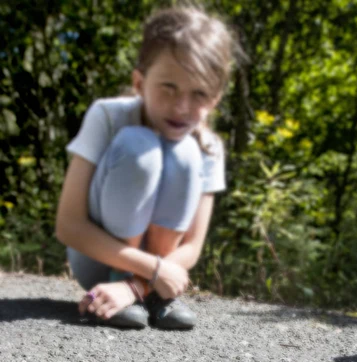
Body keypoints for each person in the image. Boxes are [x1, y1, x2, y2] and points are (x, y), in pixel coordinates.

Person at [56, 5, 237, 329]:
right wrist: (153, 270)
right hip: (96, 260)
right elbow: (68, 225)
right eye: (168, 87)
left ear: (215, 98)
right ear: (139, 83)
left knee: (186, 154)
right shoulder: (107, 116)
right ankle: (132, 284)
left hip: (160, 271)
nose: (181, 107)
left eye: (199, 93)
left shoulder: (209, 147)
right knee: (139, 147)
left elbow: (192, 247)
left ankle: (149, 296)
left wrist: (137, 285)